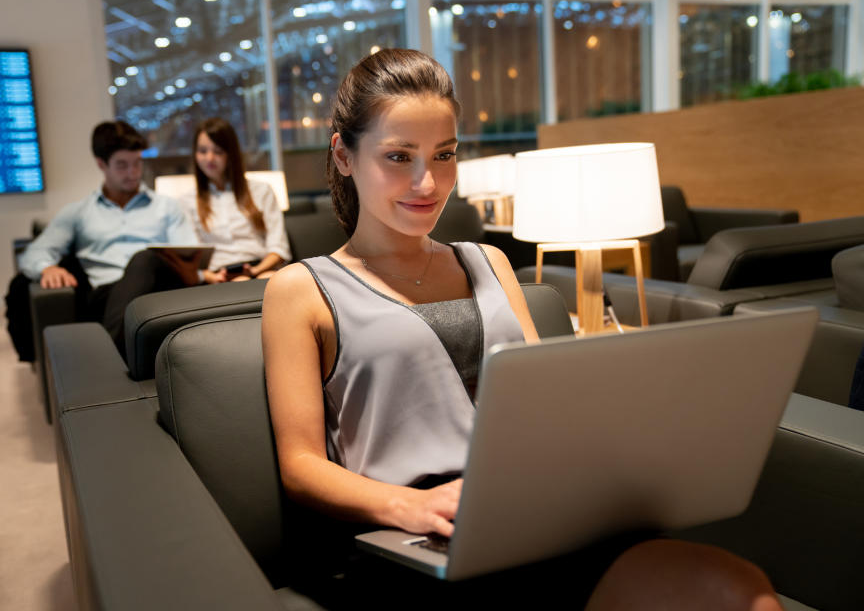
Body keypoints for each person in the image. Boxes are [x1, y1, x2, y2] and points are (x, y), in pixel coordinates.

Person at [261, 49, 783, 609]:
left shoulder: (490, 261)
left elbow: (540, 411)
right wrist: (406, 506)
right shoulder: (300, 289)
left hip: (541, 517)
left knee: (741, 590)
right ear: (344, 155)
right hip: (417, 534)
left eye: (444, 155)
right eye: (398, 156)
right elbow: (301, 466)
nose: (427, 182)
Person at [5, 120, 198, 360]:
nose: (133, 173)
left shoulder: (167, 207)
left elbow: (189, 253)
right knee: (139, 265)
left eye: (137, 163)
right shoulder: (78, 213)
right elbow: (35, 252)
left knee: (145, 259)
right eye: (122, 165)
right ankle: (118, 354)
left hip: (160, 292)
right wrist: (47, 268)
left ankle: (106, 360)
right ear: (101, 164)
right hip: (107, 296)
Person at [184, 118, 290, 283]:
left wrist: (255, 270)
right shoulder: (188, 202)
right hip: (219, 275)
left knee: (271, 281)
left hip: (261, 267)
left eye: (218, 151)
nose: (209, 158)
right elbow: (193, 258)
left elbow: (279, 248)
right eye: (203, 151)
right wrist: (211, 277)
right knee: (243, 282)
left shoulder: (261, 191)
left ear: (231, 154)